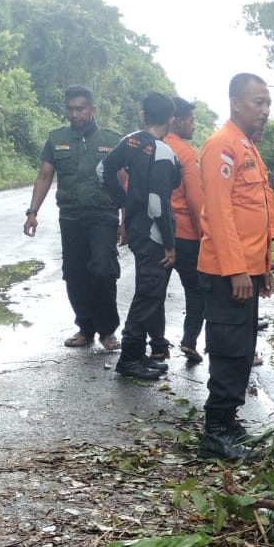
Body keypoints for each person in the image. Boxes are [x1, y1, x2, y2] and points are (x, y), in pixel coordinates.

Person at [195, 73, 274, 460]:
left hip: (246, 270)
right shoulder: (221, 146)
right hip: (226, 272)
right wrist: (236, 269)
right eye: (258, 102)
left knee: (243, 350)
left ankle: (228, 421)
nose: (265, 110)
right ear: (235, 103)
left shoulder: (248, 147)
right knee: (228, 350)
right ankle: (215, 433)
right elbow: (220, 213)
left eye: (268, 103)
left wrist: (263, 265)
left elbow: (257, 211)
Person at [24, 86, 124, 351]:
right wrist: (32, 212)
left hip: (103, 215)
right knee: (75, 274)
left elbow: (125, 179)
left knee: (103, 270)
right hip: (70, 217)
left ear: (92, 109)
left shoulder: (112, 139)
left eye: (80, 108)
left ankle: (107, 331)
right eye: (70, 108)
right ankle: (85, 328)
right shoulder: (56, 139)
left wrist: (127, 219)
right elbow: (44, 176)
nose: (74, 113)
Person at [97, 92, 181, 381]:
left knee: (148, 292)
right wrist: (170, 244)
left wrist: (125, 202)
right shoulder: (163, 152)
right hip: (155, 234)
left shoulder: (130, 141)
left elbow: (102, 170)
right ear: (171, 120)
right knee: (148, 294)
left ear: (143, 116)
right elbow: (158, 203)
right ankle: (130, 359)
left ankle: (139, 355)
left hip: (136, 229)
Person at [163, 97, 206, 365]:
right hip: (187, 235)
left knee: (155, 290)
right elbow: (194, 199)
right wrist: (205, 234)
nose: (193, 125)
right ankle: (189, 341)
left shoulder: (150, 146)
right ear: (177, 120)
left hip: (159, 233)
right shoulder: (186, 153)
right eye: (191, 120)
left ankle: (156, 344)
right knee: (196, 291)